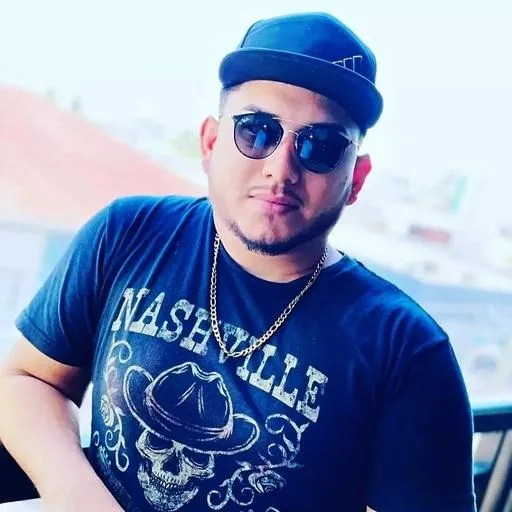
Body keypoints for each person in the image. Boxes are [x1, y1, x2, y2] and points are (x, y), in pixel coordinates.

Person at [0, 11, 476, 512]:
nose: (281, 169)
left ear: (355, 179)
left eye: (321, 146)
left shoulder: (407, 352)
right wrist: (78, 496)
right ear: (210, 143)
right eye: (256, 131)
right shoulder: (129, 234)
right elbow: (29, 379)